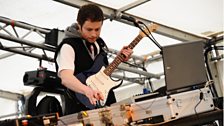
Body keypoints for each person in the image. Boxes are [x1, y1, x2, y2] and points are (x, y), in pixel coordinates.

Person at [54, 3, 133, 115]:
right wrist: (87, 90)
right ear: (79, 25)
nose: (94, 34)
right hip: (80, 110)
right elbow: (66, 78)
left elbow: (99, 74)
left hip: (106, 105)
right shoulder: (68, 46)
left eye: (97, 29)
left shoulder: (99, 44)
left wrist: (120, 58)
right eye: (89, 29)